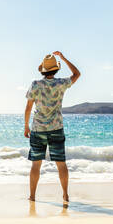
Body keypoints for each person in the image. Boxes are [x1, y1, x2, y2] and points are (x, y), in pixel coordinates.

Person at [24, 51, 81, 203]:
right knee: (61, 163)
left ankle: (32, 196)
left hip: (38, 129)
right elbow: (77, 74)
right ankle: (65, 195)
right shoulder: (61, 83)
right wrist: (63, 58)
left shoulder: (36, 84)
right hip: (56, 128)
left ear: (43, 70)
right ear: (56, 69)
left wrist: (26, 126)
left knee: (36, 165)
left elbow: (28, 107)